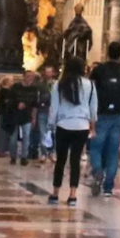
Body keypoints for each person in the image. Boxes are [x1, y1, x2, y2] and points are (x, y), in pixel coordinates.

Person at [47, 55, 97, 207]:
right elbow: (93, 108)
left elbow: (54, 107)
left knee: (60, 160)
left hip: (63, 124)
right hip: (81, 126)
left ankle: (55, 193)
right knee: (75, 161)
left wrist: (51, 125)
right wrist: (92, 126)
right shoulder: (90, 85)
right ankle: (73, 194)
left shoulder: (59, 84)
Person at [89, 41, 120, 196]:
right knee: (113, 151)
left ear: (107, 52)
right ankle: (108, 187)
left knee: (96, 147)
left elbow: (91, 90)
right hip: (118, 115)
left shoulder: (98, 70)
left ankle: (97, 170)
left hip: (101, 113)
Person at [8, 70, 38, 165]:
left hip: (27, 115)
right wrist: (17, 104)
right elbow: (9, 100)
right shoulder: (15, 87)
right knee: (13, 138)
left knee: (26, 136)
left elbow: (35, 105)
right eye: (28, 76)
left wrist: (34, 117)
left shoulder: (34, 89)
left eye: (32, 77)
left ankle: (24, 157)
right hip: (14, 115)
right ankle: (13, 156)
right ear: (24, 76)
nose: (30, 78)